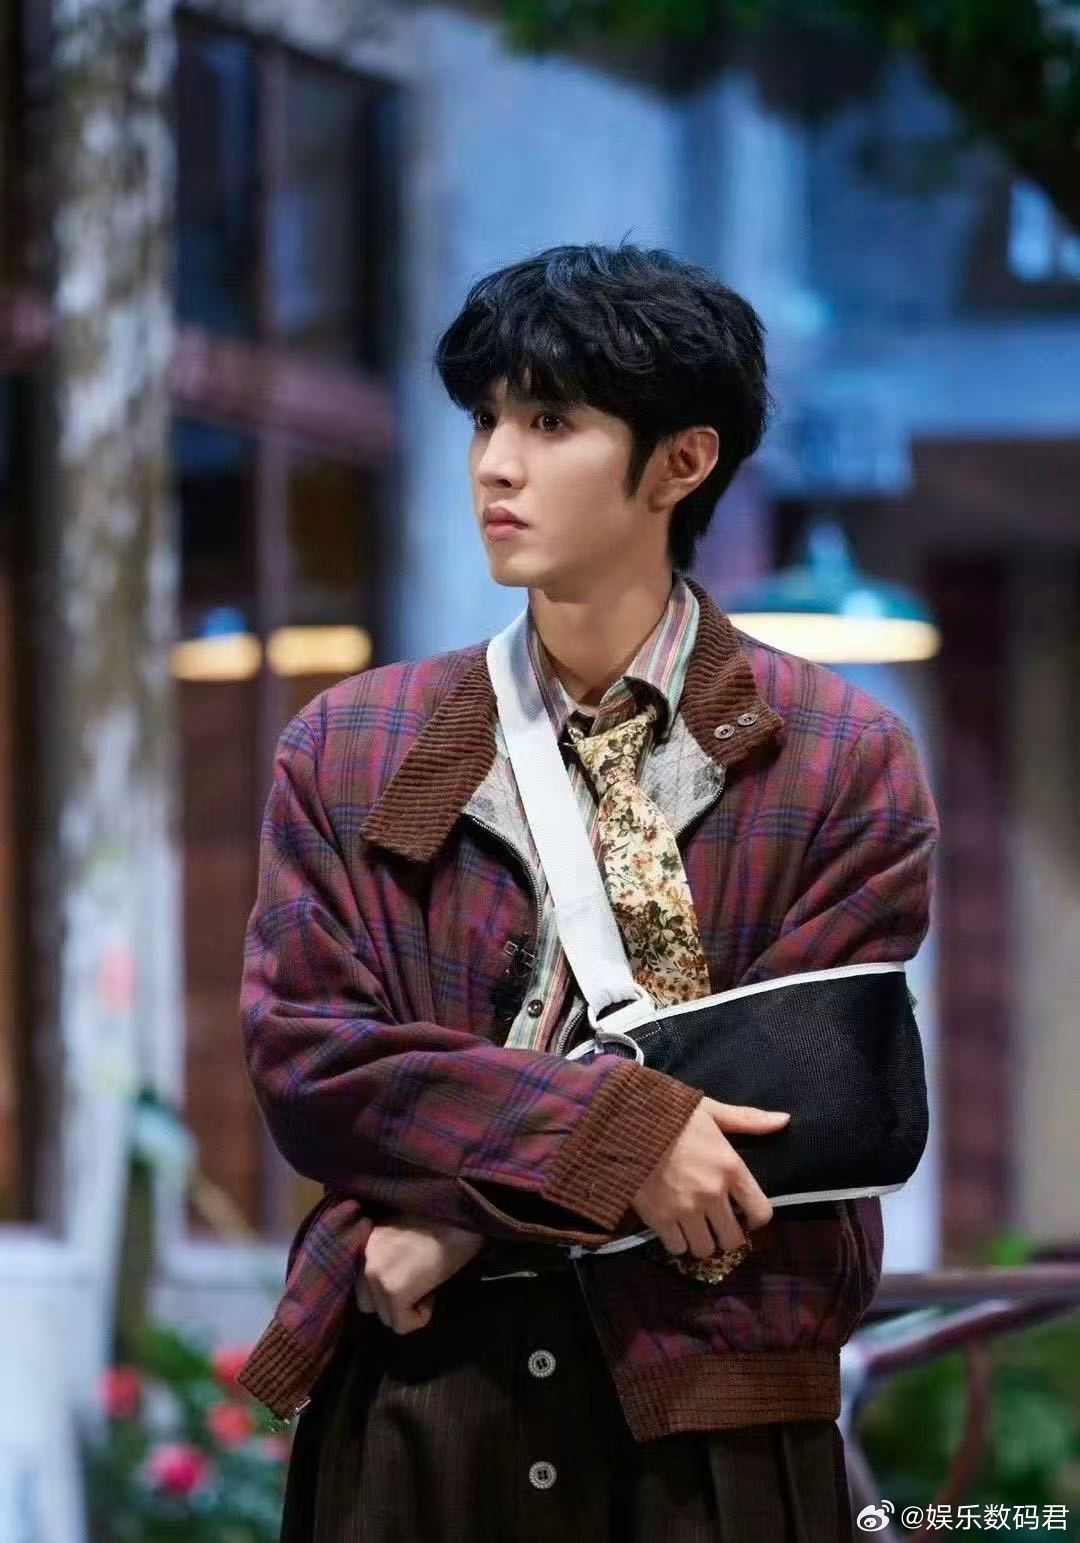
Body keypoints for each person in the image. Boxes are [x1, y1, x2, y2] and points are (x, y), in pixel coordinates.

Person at [237, 242, 939, 1541]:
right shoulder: (352, 748)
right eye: (485, 420)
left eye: (551, 422)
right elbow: (313, 1062)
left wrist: (461, 1218)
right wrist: (626, 1142)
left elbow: (817, 1100)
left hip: (718, 1410)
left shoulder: (840, 757)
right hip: (424, 1403)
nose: (495, 465)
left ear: (682, 462)